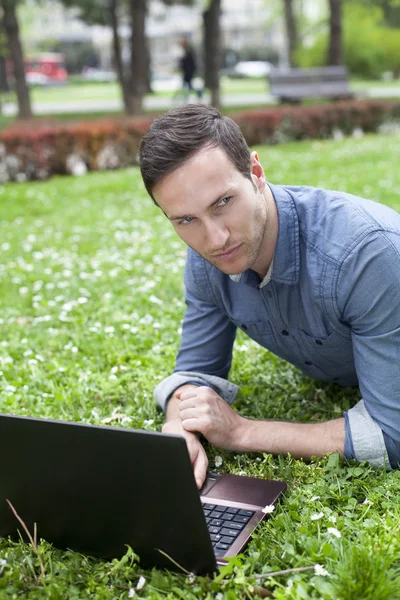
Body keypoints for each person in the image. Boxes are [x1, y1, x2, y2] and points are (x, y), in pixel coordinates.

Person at [139, 103, 400, 489]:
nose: (215, 239)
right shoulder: (208, 259)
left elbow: (390, 436)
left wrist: (242, 432)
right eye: (186, 220)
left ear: (256, 173)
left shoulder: (364, 255)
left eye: (223, 202)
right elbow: (196, 370)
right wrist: (180, 426)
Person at [178, 37, 202, 102]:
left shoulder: (189, 51)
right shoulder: (187, 51)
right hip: (187, 72)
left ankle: (197, 93)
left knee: (188, 85)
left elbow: (189, 62)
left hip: (189, 72)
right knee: (188, 85)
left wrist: (182, 61)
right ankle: (188, 97)